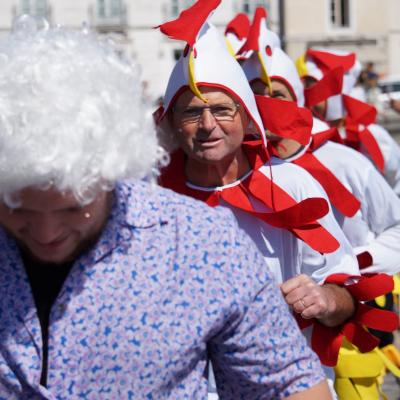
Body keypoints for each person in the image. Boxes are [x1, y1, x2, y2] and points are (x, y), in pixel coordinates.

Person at [0, 15, 333, 400]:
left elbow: (285, 384)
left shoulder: (204, 244)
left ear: (114, 171)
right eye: (16, 209)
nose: (46, 232)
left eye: (74, 209)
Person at [240, 20, 400, 399]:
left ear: (296, 98)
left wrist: (347, 266)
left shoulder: (346, 162)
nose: (268, 104)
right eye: (254, 94)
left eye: (277, 93)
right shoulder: (231, 174)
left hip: (352, 308)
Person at [297, 49, 400, 196]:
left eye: (311, 85)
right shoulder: (301, 138)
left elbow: (396, 181)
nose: (305, 92)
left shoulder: (373, 136)